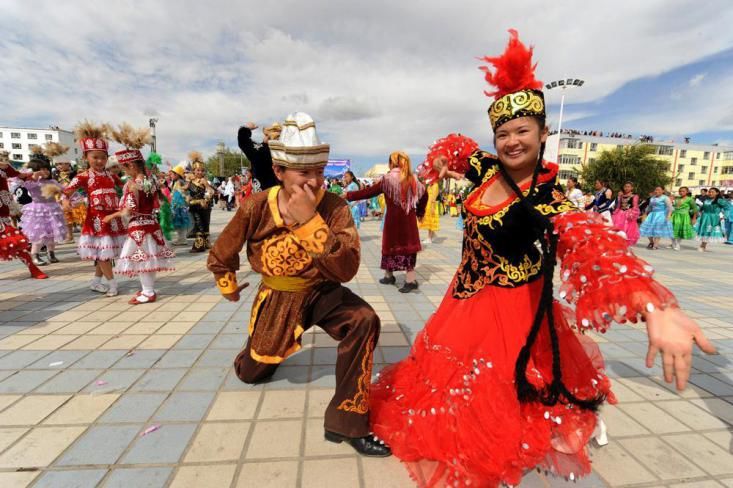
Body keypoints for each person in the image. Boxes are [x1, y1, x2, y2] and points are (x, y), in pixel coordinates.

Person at [369, 30, 715, 487]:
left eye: (523, 132)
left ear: (543, 134)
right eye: (503, 133)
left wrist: (655, 305)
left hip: (512, 310)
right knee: (447, 386)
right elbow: (454, 143)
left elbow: (590, 241)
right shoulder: (487, 168)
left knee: (502, 402)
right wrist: (437, 164)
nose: (512, 141)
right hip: (464, 300)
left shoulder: (547, 198)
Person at [207, 112, 389, 457]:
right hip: (278, 296)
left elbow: (347, 267)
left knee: (364, 320)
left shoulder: (334, 207)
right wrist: (226, 281)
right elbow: (224, 249)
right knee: (252, 372)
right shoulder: (256, 206)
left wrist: (309, 222)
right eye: (304, 173)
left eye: (319, 172)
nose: (315, 181)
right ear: (279, 172)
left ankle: (348, 420)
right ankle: (254, 356)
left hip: (323, 292)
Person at [105, 124, 176, 304]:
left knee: (142, 259)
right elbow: (159, 201)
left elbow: (128, 210)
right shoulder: (149, 180)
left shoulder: (132, 184)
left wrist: (111, 216)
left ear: (130, 165)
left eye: (124, 168)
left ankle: (148, 291)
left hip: (139, 226)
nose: (123, 171)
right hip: (151, 223)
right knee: (147, 259)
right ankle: (147, 289)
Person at [346, 151, 427, 293]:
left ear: (392, 163)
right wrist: (420, 212)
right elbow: (424, 195)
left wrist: (348, 195)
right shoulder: (413, 180)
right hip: (408, 222)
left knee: (390, 246)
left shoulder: (387, 179)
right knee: (408, 249)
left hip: (392, 222)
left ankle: (389, 276)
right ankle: (410, 280)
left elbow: (368, 192)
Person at [63, 121, 126, 296]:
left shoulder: (112, 175)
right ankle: (113, 284)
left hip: (113, 217)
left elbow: (128, 185)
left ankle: (96, 282)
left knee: (105, 253)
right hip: (97, 219)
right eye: (95, 157)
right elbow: (67, 190)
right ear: (86, 157)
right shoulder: (83, 176)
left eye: (103, 157)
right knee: (103, 253)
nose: (99, 161)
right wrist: (65, 201)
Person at [0, 150, 48, 279]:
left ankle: (33, 269)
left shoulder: (5, 166)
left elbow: (19, 175)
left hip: (2, 213)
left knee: (15, 242)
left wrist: (33, 174)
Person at [19, 146, 69, 265]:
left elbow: (63, 190)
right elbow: (22, 183)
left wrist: (65, 197)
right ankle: (34, 255)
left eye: (47, 169)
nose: (45, 172)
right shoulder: (32, 183)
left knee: (52, 234)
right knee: (39, 234)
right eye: (42, 169)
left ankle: (51, 253)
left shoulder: (52, 182)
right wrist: (32, 176)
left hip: (53, 209)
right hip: (38, 210)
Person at [237, 121, 280, 191]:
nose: (264, 137)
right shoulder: (283, 153)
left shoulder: (263, 151)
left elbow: (243, 141)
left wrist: (246, 128)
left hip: (263, 196)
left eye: (266, 135)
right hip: (280, 195)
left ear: (269, 137)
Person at [187, 152, 215, 252]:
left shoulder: (204, 181)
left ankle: (204, 244)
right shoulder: (190, 182)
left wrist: (206, 187)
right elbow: (186, 192)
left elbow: (211, 192)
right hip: (194, 206)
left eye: (202, 170)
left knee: (205, 224)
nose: (200, 172)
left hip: (205, 207)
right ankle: (200, 245)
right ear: (193, 171)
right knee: (198, 224)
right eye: (198, 170)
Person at [53, 159, 84, 243]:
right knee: (67, 219)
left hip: (75, 197)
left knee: (80, 218)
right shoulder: (55, 175)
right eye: (57, 164)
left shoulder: (75, 173)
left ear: (68, 164)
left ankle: (84, 236)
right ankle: (70, 236)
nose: (59, 166)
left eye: (61, 164)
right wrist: (57, 198)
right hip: (62, 198)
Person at [694, 187, 730, 252]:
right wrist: (698, 211)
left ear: (717, 193)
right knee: (704, 230)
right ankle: (703, 245)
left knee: (709, 230)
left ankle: (703, 245)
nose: (710, 193)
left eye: (712, 192)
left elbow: (727, 208)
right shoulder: (706, 200)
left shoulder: (720, 201)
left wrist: (725, 216)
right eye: (709, 192)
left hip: (713, 218)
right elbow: (701, 208)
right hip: (704, 217)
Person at [611, 181, 640, 246]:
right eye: (625, 187)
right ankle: (619, 242)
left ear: (632, 188)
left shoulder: (634, 196)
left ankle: (625, 243)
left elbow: (635, 206)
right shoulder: (621, 196)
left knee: (627, 229)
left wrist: (632, 214)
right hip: (620, 214)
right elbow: (618, 206)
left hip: (629, 214)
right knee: (618, 228)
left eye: (628, 187)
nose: (626, 188)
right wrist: (615, 212)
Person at [169, 165, 191, 246]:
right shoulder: (177, 182)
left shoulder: (179, 182)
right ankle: (181, 238)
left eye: (172, 174)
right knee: (180, 222)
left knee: (180, 222)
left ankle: (182, 239)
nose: (170, 176)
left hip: (179, 205)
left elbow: (185, 189)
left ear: (177, 174)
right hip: (177, 205)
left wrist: (188, 182)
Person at [670, 186, 697, 251]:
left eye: (683, 191)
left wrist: (694, 218)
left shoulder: (690, 199)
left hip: (684, 216)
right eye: (680, 191)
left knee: (680, 230)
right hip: (675, 215)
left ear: (687, 192)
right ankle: (673, 242)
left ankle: (678, 244)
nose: (681, 192)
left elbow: (695, 209)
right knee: (671, 229)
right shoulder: (676, 198)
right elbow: (673, 207)